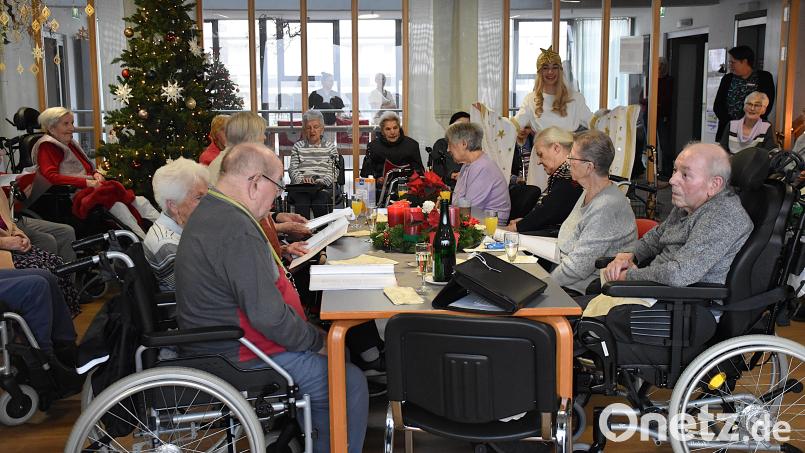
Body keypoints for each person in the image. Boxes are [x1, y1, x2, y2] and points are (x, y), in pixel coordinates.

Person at [175, 142, 368, 453]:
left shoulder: (217, 210)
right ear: (255, 183)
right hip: (236, 352)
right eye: (277, 186)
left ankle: (319, 435)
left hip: (233, 340)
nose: (278, 196)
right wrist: (312, 340)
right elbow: (267, 316)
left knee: (336, 352)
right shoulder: (234, 227)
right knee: (349, 381)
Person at [603, 143, 752, 290]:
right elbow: (655, 238)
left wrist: (629, 277)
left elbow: (679, 274)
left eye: (685, 175)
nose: (672, 180)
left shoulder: (722, 217)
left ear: (714, 184)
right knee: (596, 288)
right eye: (675, 170)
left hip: (686, 303)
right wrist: (629, 255)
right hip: (660, 291)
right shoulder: (688, 203)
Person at [31, 107, 160, 238]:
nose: (72, 128)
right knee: (118, 206)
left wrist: (95, 174)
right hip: (73, 195)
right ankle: (143, 242)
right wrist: (87, 182)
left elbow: (86, 167)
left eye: (72, 123)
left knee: (141, 201)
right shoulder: (47, 146)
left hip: (92, 188)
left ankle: (166, 233)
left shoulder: (68, 142)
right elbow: (50, 177)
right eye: (66, 124)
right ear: (52, 128)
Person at [550, 130, 637, 295]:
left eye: (572, 158)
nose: (568, 162)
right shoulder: (589, 190)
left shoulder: (606, 206)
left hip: (582, 288)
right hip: (566, 276)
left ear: (589, 167)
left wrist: (544, 284)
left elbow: (578, 268)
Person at [1, 188, 81, 316]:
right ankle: (56, 323)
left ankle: (63, 316)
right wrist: (5, 242)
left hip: (10, 243)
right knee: (44, 274)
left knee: (56, 263)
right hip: (3, 253)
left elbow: (8, 222)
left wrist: (20, 235)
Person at [144, 158, 210, 292]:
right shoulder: (166, 245)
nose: (207, 203)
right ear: (173, 205)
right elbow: (200, 290)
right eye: (199, 198)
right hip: (187, 309)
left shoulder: (183, 227)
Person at [502, 127, 582, 235]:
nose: (539, 162)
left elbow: (548, 212)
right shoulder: (564, 173)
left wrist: (516, 227)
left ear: (556, 148)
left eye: (540, 154)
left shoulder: (569, 175)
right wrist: (524, 221)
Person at [447, 121, 511, 224]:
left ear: (464, 144)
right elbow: (457, 202)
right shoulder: (468, 165)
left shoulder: (482, 167)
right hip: (472, 222)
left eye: (450, 144)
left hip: (490, 228)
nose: (448, 149)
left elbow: (466, 209)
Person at [713, 45, 775, 142]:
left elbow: (767, 105)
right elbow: (718, 105)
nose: (730, 65)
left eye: (733, 62)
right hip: (728, 130)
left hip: (755, 131)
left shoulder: (764, 77)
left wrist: (748, 123)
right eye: (730, 62)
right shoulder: (727, 79)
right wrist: (733, 125)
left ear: (745, 61)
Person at [288, 109, 340, 219]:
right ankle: (303, 234)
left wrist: (320, 182)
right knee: (302, 201)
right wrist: (302, 181)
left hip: (322, 187)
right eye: (308, 127)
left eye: (316, 127)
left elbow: (334, 171)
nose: (312, 131)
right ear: (304, 130)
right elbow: (293, 169)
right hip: (301, 188)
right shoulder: (297, 147)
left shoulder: (331, 148)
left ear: (322, 129)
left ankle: (323, 234)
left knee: (320, 202)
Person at [360, 111, 424, 184]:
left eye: (395, 128)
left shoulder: (412, 145)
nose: (392, 132)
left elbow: (420, 171)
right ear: (382, 131)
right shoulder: (373, 146)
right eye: (388, 129)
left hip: (408, 188)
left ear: (399, 128)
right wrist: (377, 179)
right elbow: (366, 173)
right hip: (381, 189)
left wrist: (414, 177)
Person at [428, 111, 469, 189]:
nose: (463, 130)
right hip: (446, 188)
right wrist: (451, 174)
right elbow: (437, 170)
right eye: (460, 126)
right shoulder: (441, 144)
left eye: (467, 127)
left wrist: (463, 174)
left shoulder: (472, 146)